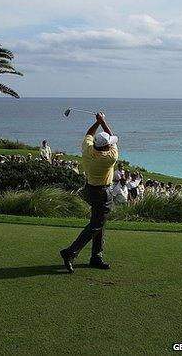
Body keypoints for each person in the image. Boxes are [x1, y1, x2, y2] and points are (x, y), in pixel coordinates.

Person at [60, 112, 118, 273]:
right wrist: (103, 121)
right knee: (96, 224)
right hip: (102, 193)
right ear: (106, 147)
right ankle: (70, 253)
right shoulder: (110, 158)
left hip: (89, 191)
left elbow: (89, 134)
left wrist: (97, 123)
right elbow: (112, 137)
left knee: (100, 223)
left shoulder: (87, 149)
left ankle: (96, 257)